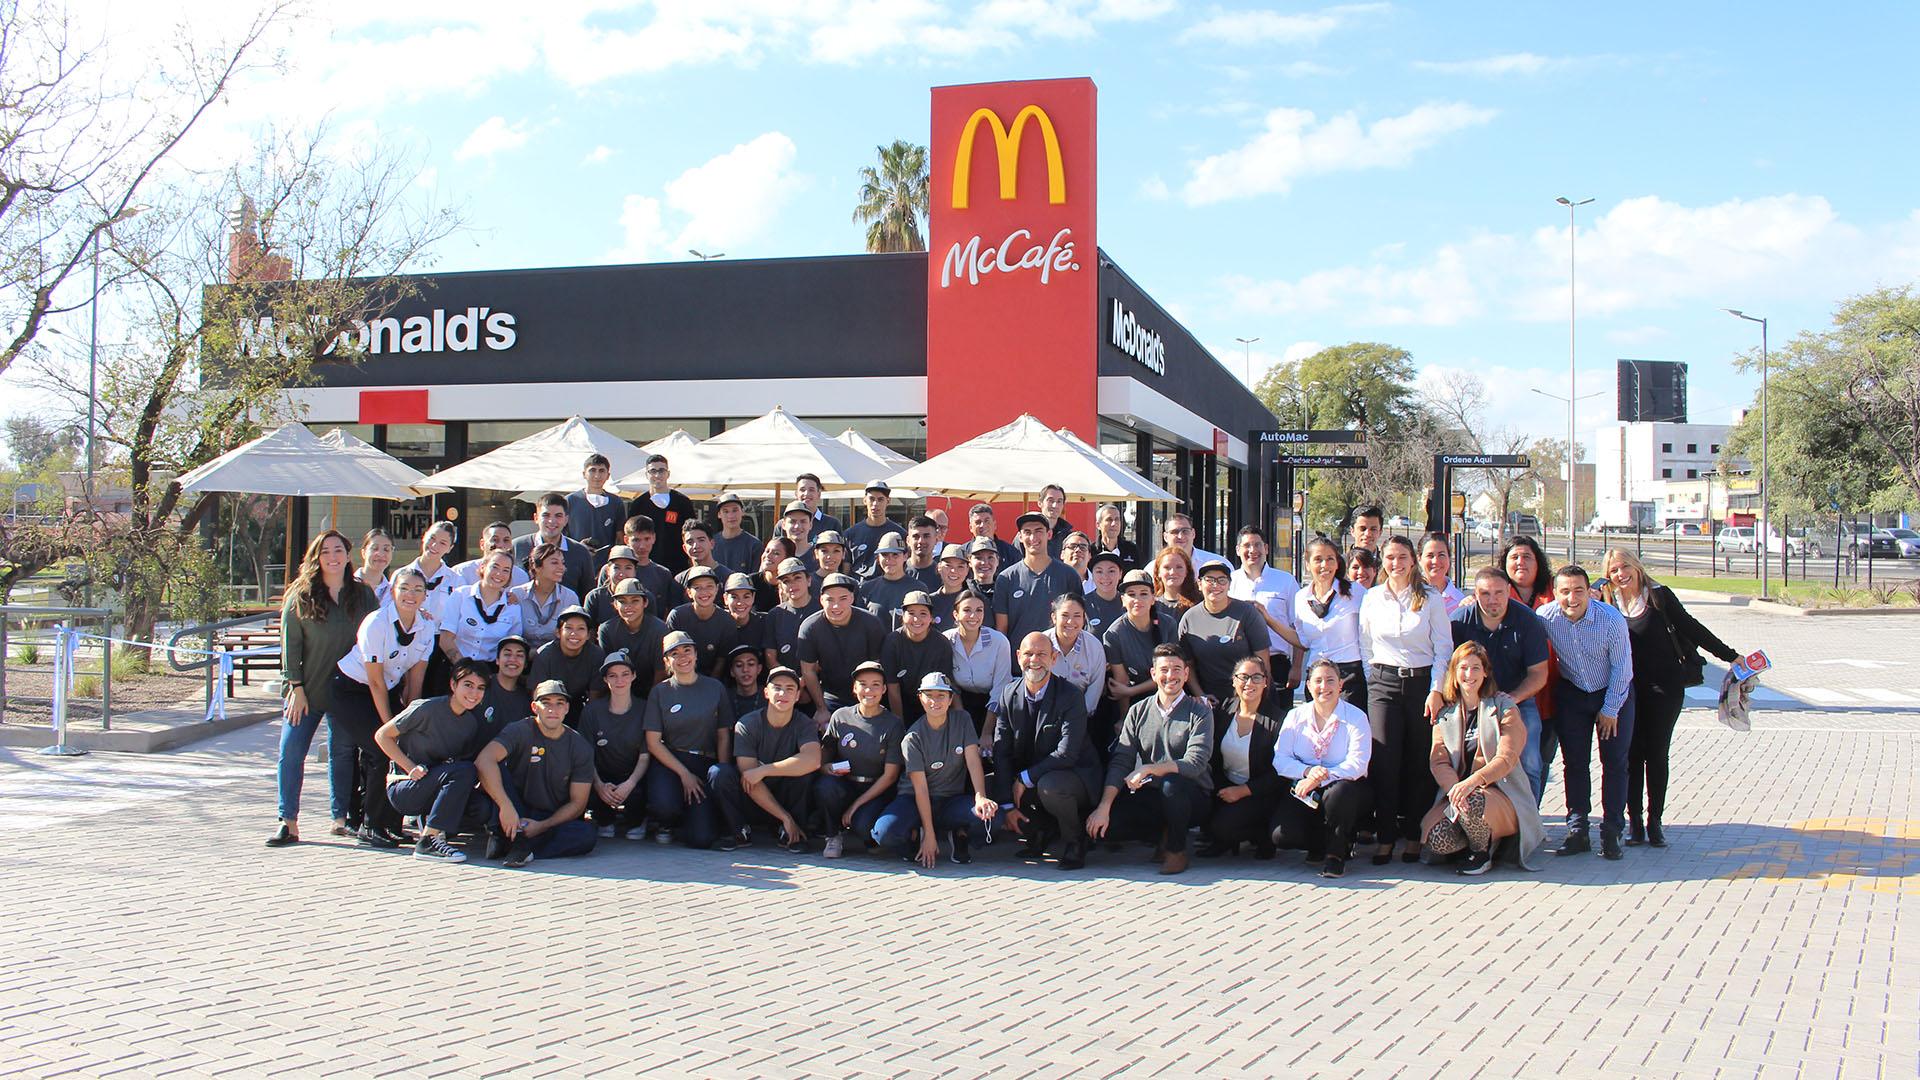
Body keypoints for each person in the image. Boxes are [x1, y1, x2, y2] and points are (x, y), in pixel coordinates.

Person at [1598, 547, 1740, 848]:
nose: (1621, 574)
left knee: (1656, 753)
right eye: (1613, 570)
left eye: (1625, 567)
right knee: (1631, 755)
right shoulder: (1607, 602)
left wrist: (1731, 656)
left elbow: (1693, 629)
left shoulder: (1659, 597)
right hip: (1626, 690)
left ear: (1637, 566)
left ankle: (1655, 822)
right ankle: (1635, 823)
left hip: (1665, 687)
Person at [269, 530, 378, 847]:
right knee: (291, 751)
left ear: (348, 554)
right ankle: (288, 822)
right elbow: (289, 646)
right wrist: (295, 687)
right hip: (307, 690)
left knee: (342, 753)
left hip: (347, 692)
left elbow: (378, 632)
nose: (333, 556)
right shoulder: (300, 595)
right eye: (326, 551)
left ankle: (340, 819)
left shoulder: (364, 594)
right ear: (316, 557)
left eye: (338, 550)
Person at [325, 565, 439, 849]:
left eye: (418, 589)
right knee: (381, 748)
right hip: (351, 689)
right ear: (392, 592)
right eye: (404, 588)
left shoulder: (427, 627)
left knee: (403, 747)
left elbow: (416, 679)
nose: (411, 594)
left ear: (425, 596)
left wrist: (410, 720)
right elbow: (375, 681)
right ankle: (370, 825)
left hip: (385, 689)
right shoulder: (376, 623)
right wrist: (391, 728)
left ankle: (391, 825)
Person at [1358, 534, 1452, 865]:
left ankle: (1414, 836)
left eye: (1402, 557)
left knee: (1418, 763)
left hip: (1421, 684)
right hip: (1383, 684)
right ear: (1382, 561)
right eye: (1390, 558)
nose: (1396, 563)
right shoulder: (1372, 597)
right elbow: (1365, 643)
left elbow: (1443, 648)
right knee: (1384, 763)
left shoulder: (1430, 597)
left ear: (1413, 560)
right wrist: (1374, 679)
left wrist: (1436, 689)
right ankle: (1385, 837)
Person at [1086, 644, 1214, 875]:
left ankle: (1176, 850)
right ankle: (1161, 834)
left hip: (1192, 795)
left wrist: (1149, 769)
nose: (1170, 676)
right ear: (1154, 675)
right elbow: (1122, 761)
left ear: (1186, 674)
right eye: (1164, 670)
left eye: (1177, 669)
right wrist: (1104, 807)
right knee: (1109, 828)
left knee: (1172, 784)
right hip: (1153, 793)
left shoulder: (1200, 712)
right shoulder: (1138, 711)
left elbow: (1195, 763)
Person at [1421, 642, 1547, 874]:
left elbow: (1506, 758)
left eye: (1476, 668)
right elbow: (1439, 761)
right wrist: (1456, 788)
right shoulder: (1445, 714)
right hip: (1459, 794)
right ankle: (1481, 840)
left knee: (1474, 802)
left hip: (1499, 791)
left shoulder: (1504, 707)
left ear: (1486, 672)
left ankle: (1481, 853)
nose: (1469, 675)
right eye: (1463, 668)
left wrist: (1472, 783)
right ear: (1454, 673)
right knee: (1437, 839)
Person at [1537, 565, 1636, 860]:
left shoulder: (1610, 619)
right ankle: (1578, 830)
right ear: (1555, 594)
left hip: (1613, 692)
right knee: (1575, 764)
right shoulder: (1546, 617)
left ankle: (1612, 831)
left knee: (1615, 762)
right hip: (1573, 693)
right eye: (1565, 591)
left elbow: (1623, 668)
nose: (1572, 598)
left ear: (1589, 592)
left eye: (1579, 591)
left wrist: (1610, 709)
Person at [991, 633, 1100, 869]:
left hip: (1073, 775)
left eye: (1041, 654)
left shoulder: (1071, 696)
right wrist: (1007, 805)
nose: (1034, 660)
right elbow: (1002, 751)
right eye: (1028, 654)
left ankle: (1075, 842)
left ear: (1053, 658)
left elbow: (1067, 753)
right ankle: (1040, 831)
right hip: (1034, 773)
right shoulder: (1008, 694)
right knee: (994, 784)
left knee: (1049, 786)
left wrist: (1024, 778)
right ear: (1018, 657)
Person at [375, 657, 495, 863]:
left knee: (482, 807)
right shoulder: (426, 708)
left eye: (480, 688)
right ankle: (428, 841)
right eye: (468, 685)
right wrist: (410, 767)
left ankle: (437, 828)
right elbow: (382, 736)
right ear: (453, 685)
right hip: (405, 786)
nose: (474, 693)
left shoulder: (470, 724)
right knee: (465, 770)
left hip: (436, 784)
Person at [872, 672, 996, 867]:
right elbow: (921, 789)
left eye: (941, 695)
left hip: (951, 800)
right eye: (929, 695)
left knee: (992, 816)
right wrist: (929, 835)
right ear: (921, 699)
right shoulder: (912, 738)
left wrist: (980, 796)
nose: (935, 701)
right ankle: (916, 836)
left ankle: (959, 834)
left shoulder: (963, 720)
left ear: (950, 699)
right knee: (885, 833)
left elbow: (973, 761)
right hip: (914, 800)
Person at [474, 680, 598, 868]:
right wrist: (506, 806)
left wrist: (542, 826)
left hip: (549, 817)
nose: (553, 709)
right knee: (496, 769)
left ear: (567, 708)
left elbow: (578, 803)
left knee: (586, 835)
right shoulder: (519, 730)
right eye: (546, 703)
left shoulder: (580, 747)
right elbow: (484, 760)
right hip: (515, 808)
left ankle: (518, 845)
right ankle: (518, 842)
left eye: (559, 703)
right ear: (534, 707)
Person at [1451, 566, 1551, 800]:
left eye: (1498, 592)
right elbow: (1449, 668)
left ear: (1508, 590)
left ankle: (1530, 817)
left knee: (1530, 761)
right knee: (1462, 759)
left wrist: (1513, 698)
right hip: (1471, 700)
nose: (1492, 599)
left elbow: (1539, 674)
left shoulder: (1527, 620)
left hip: (1516, 698)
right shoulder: (1459, 621)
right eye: (1485, 593)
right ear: (1475, 593)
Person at [1270, 658, 1374, 878]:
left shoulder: (1356, 717)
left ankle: (1336, 854)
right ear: (1308, 686)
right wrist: (1307, 772)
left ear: (1340, 685)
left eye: (1330, 680)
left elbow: (1358, 763)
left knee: (1340, 793)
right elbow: (1281, 759)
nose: (1324, 686)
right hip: (1305, 787)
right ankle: (1318, 844)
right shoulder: (1295, 716)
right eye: (1318, 681)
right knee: (1281, 836)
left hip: (1344, 789)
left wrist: (1321, 777)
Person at [643, 631, 744, 850]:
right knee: (665, 806)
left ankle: (699, 819)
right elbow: (653, 742)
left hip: (704, 763)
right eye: (674, 654)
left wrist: (720, 774)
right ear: (666, 661)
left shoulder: (715, 688)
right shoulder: (660, 692)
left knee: (701, 840)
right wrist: (684, 774)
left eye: (687, 651)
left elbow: (723, 734)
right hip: (671, 762)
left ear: (696, 654)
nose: (682, 658)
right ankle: (667, 824)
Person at [813, 661, 906, 858]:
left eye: (875, 685)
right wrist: (825, 768)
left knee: (863, 825)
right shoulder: (841, 717)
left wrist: (855, 806)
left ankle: (869, 837)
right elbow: (824, 756)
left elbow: (890, 776)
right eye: (863, 684)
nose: (869, 690)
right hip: (846, 784)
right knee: (825, 786)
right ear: (855, 688)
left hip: (876, 789)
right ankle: (833, 835)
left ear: (884, 689)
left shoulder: (892, 724)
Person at [731, 665, 822, 853]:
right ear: (766, 693)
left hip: (784, 793)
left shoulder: (804, 723)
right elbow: (749, 777)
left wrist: (764, 770)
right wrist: (784, 817)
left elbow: (813, 760)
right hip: (752, 797)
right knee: (720, 774)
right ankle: (739, 829)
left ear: (797, 696)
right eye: (777, 688)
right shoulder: (747, 724)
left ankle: (792, 833)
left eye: (790, 689)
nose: (783, 693)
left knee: (806, 773)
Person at [1200, 657, 1283, 859]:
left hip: (1261, 791)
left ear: (1266, 682)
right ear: (1234, 681)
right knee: (1200, 808)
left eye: (1256, 677)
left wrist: (1243, 791)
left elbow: (1280, 772)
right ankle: (1223, 838)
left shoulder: (1279, 720)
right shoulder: (1223, 712)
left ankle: (1262, 835)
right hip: (1226, 785)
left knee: (1223, 826)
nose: (1249, 683)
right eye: (1243, 677)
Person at [1499, 533, 1558, 793]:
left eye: (1527, 557)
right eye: (1514, 557)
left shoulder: (1554, 590)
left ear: (1538, 561)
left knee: (1540, 759)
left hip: (1550, 690)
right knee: (1511, 757)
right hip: (1512, 691)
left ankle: (1533, 809)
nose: (1520, 562)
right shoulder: (1498, 592)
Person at [1102, 568, 1179, 754]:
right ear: (1123, 600)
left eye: (1144, 594)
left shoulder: (1168, 624)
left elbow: (1171, 674)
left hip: (1168, 693)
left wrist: (1130, 690)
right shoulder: (1113, 634)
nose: (1138, 599)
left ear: (1153, 598)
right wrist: (1124, 719)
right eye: (1131, 594)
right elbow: (1121, 683)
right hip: (1135, 702)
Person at [798, 573, 888, 725]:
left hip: (867, 694)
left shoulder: (871, 623)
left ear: (852, 598)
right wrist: (821, 708)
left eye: (843, 599)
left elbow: (876, 666)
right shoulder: (810, 628)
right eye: (830, 600)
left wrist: (868, 703)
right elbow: (808, 670)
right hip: (831, 697)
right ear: (821, 600)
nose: (836, 606)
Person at [579, 650, 650, 840]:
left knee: (640, 794)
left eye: (625, 674)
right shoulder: (592, 711)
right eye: (613, 675)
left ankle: (637, 820)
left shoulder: (645, 708)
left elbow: (645, 756)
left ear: (633, 676)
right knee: (587, 788)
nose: (619, 681)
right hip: (602, 775)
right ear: (605, 679)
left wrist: (629, 784)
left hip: (633, 775)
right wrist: (599, 785)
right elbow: (586, 755)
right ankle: (604, 820)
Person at [1181, 560, 1272, 708]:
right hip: (1210, 700)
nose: (1215, 585)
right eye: (1209, 580)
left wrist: (1258, 698)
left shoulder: (1247, 613)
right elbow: (1188, 665)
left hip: (1248, 697)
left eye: (1222, 580)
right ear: (1199, 584)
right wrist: (1201, 696)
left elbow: (1263, 659)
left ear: (1229, 584)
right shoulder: (1189, 619)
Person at [1293, 537, 1367, 711]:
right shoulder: (1301, 597)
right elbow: (1303, 641)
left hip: (1349, 676)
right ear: (1307, 564)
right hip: (1317, 675)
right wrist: (1267, 619)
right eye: (1318, 559)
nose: (1324, 565)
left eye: (1330, 559)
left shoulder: (1355, 592)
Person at [1229, 526, 1303, 697]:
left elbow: (1298, 627)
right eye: (1247, 546)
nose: (1252, 550)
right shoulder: (1229, 582)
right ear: (1238, 550)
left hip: (1277, 664)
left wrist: (1296, 667)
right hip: (1238, 664)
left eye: (1258, 545)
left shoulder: (1285, 581)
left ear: (1266, 549)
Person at [994, 511, 1084, 645]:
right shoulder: (1006, 579)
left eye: (1039, 531)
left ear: (1049, 534)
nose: (1033, 537)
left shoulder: (1068, 575)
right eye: (1027, 532)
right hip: (1018, 655)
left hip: (1057, 654)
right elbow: (1002, 629)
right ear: (1020, 537)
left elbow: (1079, 621)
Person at [440, 550, 523, 663]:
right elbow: (445, 639)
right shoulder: (460, 595)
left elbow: (512, 646)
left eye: (506, 570)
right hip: (456, 665)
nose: (499, 574)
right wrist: (464, 668)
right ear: (483, 567)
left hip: (491, 668)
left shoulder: (512, 607)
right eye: (495, 567)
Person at [526, 607, 604, 727]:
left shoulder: (596, 655)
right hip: (550, 704)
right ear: (558, 632)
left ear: (589, 635)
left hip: (579, 704)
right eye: (568, 628)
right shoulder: (544, 655)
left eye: (581, 629)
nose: (574, 633)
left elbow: (595, 696)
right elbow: (537, 695)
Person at [882, 591, 953, 722]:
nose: (916, 619)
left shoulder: (941, 643)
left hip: (931, 703)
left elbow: (944, 688)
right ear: (903, 616)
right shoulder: (892, 642)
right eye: (911, 613)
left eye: (923, 614)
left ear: (931, 618)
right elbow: (893, 688)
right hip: (900, 704)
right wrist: (899, 725)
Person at [945, 590, 1012, 724]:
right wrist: (963, 722)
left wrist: (987, 731)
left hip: (993, 704)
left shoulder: (999, 641)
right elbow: (950, 684)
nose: (973, 616)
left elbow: (1000, 687)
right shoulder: (946, 640)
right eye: (967, 610)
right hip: (959, 703)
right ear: (956, 615)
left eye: (979, 610)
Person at [512, 494, 596, 598]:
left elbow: (587, 594)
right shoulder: (517, 547)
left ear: (566, 520)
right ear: (536, 518)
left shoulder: (580, 552)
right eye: (546, 515)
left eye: (558, 516)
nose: (552, 521)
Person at [596, 579, 667, 696]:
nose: (628, 606)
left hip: (653, 689)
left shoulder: (660, 629)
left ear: (645, 603)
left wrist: (652, 700)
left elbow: (661, 671)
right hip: (620, 689)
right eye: (622, 602)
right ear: (615, 605)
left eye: (635, 601)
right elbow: (609, 671)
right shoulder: (607, 630)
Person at [667, 565, 738, 678]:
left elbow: (722, 659)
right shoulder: (677, 616)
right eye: (697, 587)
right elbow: (670, 655)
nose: (704, 592)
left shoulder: (727, 621)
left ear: (717, 588)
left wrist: (710, 684)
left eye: (709, 586)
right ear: (689, 592)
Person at [1043, 592, 1106, 716]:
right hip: (1044, 714)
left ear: (1084, 619)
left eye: (1077, 616)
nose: (1070, 621)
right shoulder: (1040, 643)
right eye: (1065, 615)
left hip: (1082, 716)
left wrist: (1077, 718)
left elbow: (1094, 691)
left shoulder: (1094, 647)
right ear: (1054, 618)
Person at [510, 542, 581, 648]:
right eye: (554, 563)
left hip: (556, 655)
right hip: (521, 654)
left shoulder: (569, 597)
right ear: (536, 566)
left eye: (562, 563)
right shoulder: (517, 594)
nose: (562, 568)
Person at [633, 454, 696, 574]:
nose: (657, 475)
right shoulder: (638, 504)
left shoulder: (682, 502)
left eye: (661, 471)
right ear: (646, 475)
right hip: (645, 567)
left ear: (668, 474)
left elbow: (691, 533)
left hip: (678, 567)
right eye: (653, 471)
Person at [474, 636, 533, 755]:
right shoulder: (480, 686)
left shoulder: (526, 699)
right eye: (507, 654)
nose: (513, 659)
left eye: (519, 655)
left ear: (525, 664)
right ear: (497, 660)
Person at [763, 557, 821, 677]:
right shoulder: (775, 615)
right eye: (786, 581)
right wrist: (791, 681)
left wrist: (806, 680)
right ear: (781, 587)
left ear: (809, 580)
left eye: (797, 578)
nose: (792, 584)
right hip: (785, 683)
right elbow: (771, 659)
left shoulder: (822, 612)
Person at [565, 453, 628, 561]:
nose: (597, 476)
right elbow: (560, 535)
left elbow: (620, 537)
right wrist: (577, 548)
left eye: (601, 471)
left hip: (606, 564)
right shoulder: (570, 501)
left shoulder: (616, 502)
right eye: (592, 470)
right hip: (575, 562)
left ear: (608, 475)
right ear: (584, 474)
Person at [621, 513, 685, 613]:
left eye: (647, 539)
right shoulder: (615, 571)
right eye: (636, 540)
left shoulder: (663, 574)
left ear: (654, 538)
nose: (642, 546)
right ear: (626, 540)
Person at [844, 479, 906, 577]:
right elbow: (846, 571)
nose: (875, 504)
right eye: (871, 499)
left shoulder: (900, 534)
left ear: (888, 501)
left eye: (880, 499)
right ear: (865, 500)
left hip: (888, 584)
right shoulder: (850, 534)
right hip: (858, 584)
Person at [858, 533, 919, 623]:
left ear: (905, 556)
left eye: (895, 555)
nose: (889, 560)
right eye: (885, 555)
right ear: (878, 557)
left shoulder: (917, 588)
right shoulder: (867, 589)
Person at [580, 545, 641, 630]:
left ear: (635, 571)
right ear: (608, 571)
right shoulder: (594, 597)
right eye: (617, 568)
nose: (622, 574)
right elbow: (587, 631)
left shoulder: (644, 597)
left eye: (628, 568)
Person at [453, 521, 528, 590]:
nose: (501, 545)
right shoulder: (461, 572)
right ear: (482, 544)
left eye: (506, 540)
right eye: (495, 540)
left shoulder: (520, 576)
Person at [710, 492, 764, 575]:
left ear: (742, 512)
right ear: (719, 514)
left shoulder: (754, 545)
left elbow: (756, 577)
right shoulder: (711, 544)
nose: (731, 516)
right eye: (726, 511)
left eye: (735, 510)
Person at [674, 519, 734, 593]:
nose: (696, 546)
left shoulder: (730, 578)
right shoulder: (679, 581)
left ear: (712, 544)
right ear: (685, 548)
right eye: (690, 542)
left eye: (701, 540)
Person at [1418, 532, 1468, 613]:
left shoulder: (1461, 603)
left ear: (1449, 558)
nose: (1435, 561)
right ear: (1419, 559)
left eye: (1441, 555)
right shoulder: (1408, 596)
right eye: (1430, 556)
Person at [927, 542, 973, 631]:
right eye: (948, 565)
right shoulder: (929, 602)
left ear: (967, 569)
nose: (953, 571)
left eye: (960, 566)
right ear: (939, 567)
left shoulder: (973, 601)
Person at [1082, 551, 1126, 641]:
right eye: (1099, 571)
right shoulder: (1082, 604)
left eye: (1111, 571)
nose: (1105, 577)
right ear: (1092, 575)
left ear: (1120, 574)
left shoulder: (1129, 603)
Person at [1151, 545, 1202, 622]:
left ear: (1186, 571)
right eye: (1167, 567)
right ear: (1158, 572)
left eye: (1179, 567)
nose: (1173, 572)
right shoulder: (1151, 605)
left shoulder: (1200, 604)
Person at [1163, 512, 1227, 572]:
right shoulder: (1158, 565)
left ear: (1193, 534)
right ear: (1165, 537)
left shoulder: (1218, 563)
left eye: (1185, 531)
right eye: (1174, 532)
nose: (1180, 536)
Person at [722, 572, 765, 660]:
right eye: (734, 597)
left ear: (753, 597)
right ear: (725, 599)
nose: (740, 603)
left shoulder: (764, 622)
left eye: (746, 597)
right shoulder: (718, 623)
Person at [967, 503, 1022, 568]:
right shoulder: (964, 552)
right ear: (971, 528)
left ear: (995, 525)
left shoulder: (1011, 553)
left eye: (987, 521)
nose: (983, 525)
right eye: (978, 522)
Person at [724, 643, 766, 722]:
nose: (745, 670)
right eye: (739, 665)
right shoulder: (724, 698)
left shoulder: (769, 698)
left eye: (751, 664)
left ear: (759, 669)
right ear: (732, 671)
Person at [1092, 503, 1140, 569]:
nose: (1114, 524)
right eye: (1109, 519)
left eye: (1117, 519)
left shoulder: (1132, 550)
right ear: (1098, 525)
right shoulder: (1091, 551)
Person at [753, 536, 794, 612]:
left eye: (776, 553)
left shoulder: (794, 586)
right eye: (767, 551)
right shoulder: (750, 582)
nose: (768, 556)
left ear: (787, 559)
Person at [356, 527, 395, 606]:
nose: (380, 554)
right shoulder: (347, 585)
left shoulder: (393, 593)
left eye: (386, 549)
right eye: (375, 548)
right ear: (363, 553)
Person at [795, 472, 842, 536]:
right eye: (802, 490)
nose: (806, 494)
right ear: (796, 494)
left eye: (811, 490)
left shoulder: (832, 524)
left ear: (819, 494)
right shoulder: (787, 524)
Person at [904, 515, 942, 590]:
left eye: (926, 536)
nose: (921, 541)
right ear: (908, 541)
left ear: (936, 540)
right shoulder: (898, 572)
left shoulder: (943, 576)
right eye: (916, 536)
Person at [1036, 484, 1074, 557]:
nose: (1055, 505)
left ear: (1063, 505)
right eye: (1050, 500)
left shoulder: (1068, 537)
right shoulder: (1028, 533)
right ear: (1040, 503)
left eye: (1059, 501)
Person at [965, 536, 1001, 607]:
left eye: (990, 557)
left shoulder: (1006, 591)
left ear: (997, 560)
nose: (984, 563)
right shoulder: (962, 590)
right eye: (978, 558)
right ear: (970, 561)